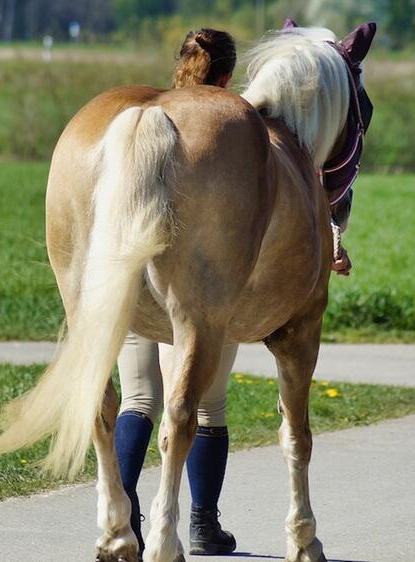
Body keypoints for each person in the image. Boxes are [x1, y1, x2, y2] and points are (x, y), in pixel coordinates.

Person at [114, 28, 240, 558]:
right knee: (206, 405)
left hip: (131, 270)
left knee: (138, 396)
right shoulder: (230, 126)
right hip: (198, 281)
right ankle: (203, 524)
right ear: (228, 77)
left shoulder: (147, 116)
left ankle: (127, 518)